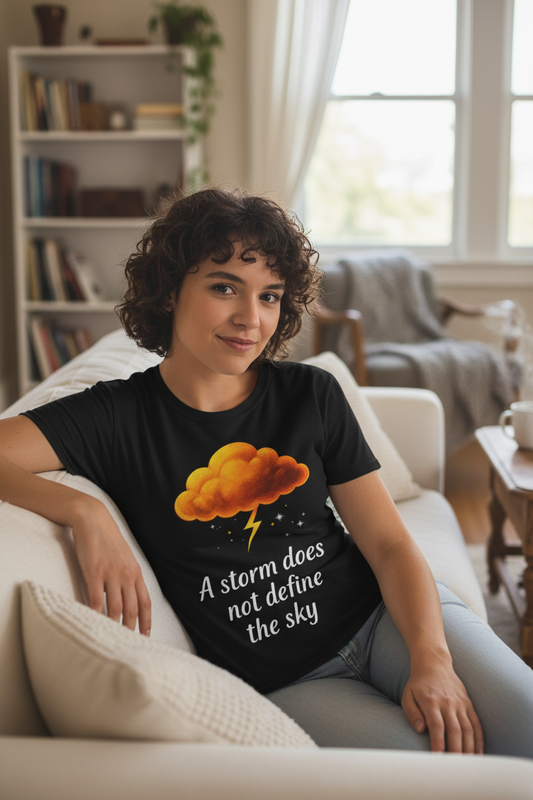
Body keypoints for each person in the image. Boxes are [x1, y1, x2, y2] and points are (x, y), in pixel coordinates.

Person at [1, 188, 532, 758]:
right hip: (292, 684)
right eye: (224, 286)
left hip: (388, 620)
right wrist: (84, 510)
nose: (250, 319)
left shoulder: (310, 395)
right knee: (451, 776)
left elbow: (388, 543)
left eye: (270, 296)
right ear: (169, 289)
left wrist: (432, 661)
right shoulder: (113, 416)